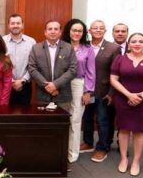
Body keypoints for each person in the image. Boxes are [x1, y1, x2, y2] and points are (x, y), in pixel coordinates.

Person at [110, 33, 143, 176]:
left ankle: (136, 161)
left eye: (140, 41)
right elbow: (114, 79)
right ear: (129, 43)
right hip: (122, 99)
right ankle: (123, 159)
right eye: (134, 41)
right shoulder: (119, 59)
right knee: (124, 129)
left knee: (139, 131)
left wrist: (140, 95)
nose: (137, 44)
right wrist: (129, 95)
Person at [81, 20, 120, 163]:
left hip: (103, 90)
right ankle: (88, 142)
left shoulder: (113, 48)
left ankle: (102, 148)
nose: (98, 30)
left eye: (101, 28)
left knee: (102, 119)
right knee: (87, 117)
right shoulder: (84, 46)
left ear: (105, 31)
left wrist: (111, 93)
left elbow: (115, 72)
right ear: (89, 31)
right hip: (86, 90)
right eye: (94, 28)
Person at [62, 19, 96, 164]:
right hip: (61, 84)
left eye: (80, 31)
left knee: (75, 120)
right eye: (74, 30)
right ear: (68, 31)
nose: (76, 33)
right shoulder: (61, 46)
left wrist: (88, 91)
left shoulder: (87, 49)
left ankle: (72, 153)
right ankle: (60, 150)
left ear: (83, 33)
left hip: (78, 84)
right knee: (62, 119)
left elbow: (91, 72)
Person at [27, 20, 77, 112]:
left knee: (62, 124)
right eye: (50, 29)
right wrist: (48, 86)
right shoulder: (36, 48)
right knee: (43, 124)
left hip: (63, 95)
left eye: (56, 29)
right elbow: (32, 68)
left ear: (60, 32)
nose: (53, 31)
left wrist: (55, 85)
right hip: (43, 95)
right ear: (45, 32)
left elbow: (73, 70)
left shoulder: (69, 48)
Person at [3, 14, 36, 105]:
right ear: (8, 25)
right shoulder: (2, 41)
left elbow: (33, 64)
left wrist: (23, 80)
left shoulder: (31, 42)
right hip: (6, 84)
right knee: (6, 114)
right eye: (12, 23)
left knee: (24, 115)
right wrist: (12, 81)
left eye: (18, 23)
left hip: (25, 85)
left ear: (22, 25)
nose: (15, 25)